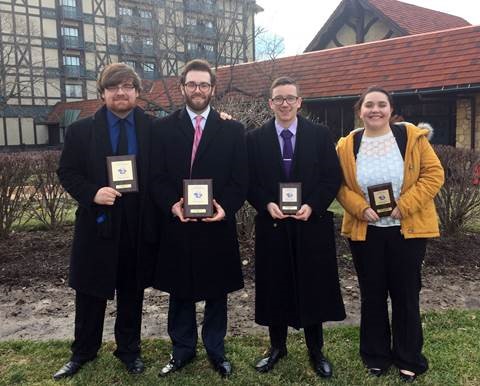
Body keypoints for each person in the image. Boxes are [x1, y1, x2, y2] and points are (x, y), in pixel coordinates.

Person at [54, 63, 159, 379]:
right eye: (113, 87)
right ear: (102, 93)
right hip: (97, 222)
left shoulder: (154, 128)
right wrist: (92, 193)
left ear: (137, 92)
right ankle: (82, 352)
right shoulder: (81, 130)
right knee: (90, 291)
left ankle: (129, 351)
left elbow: (189, 130)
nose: (121, 92)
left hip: (137, 225)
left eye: (127, 86)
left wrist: (223, 118)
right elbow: (67, 172)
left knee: (131, 292)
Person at [336, 86, 444, 382]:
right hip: (366, 232)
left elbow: (434, 174)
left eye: (381, 104)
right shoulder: (347, 145)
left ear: (390, 109)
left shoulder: (410, 137)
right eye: (369, 104)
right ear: (360, 110)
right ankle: (376, 355)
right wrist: (359, 208)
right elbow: (339, 184)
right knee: (372, 295)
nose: (375, 110)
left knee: (406, 295)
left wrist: (404, 206)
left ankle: (409, 357)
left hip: (406, 231)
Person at [150, 59, 248, 378]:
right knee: (180, 291)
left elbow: (240, 179)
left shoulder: (232, 129)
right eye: (191, 84)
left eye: (204, 84)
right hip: (178, 223)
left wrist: (226, 208)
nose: (198, 90)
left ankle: (216, 351)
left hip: (215, 224)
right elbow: (157, 176)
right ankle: (182, 350)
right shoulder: (162, 128)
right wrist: (171, 204)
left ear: (213, 89)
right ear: (182, 88)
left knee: (217, 292)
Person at [246, 76, 346, 378]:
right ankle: (277, 348)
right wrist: (265, 203)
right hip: (272, 224)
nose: (285, 103)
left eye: (290, 98)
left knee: (313, 286)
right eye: (279, 98)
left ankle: (316, 351)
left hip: (310, 224)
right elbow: (248, 180)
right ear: (270, 103)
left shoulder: (319, 134)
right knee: (275, 285)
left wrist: (313, 205)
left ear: (300, 102)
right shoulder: (255, 138)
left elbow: (332, 177)